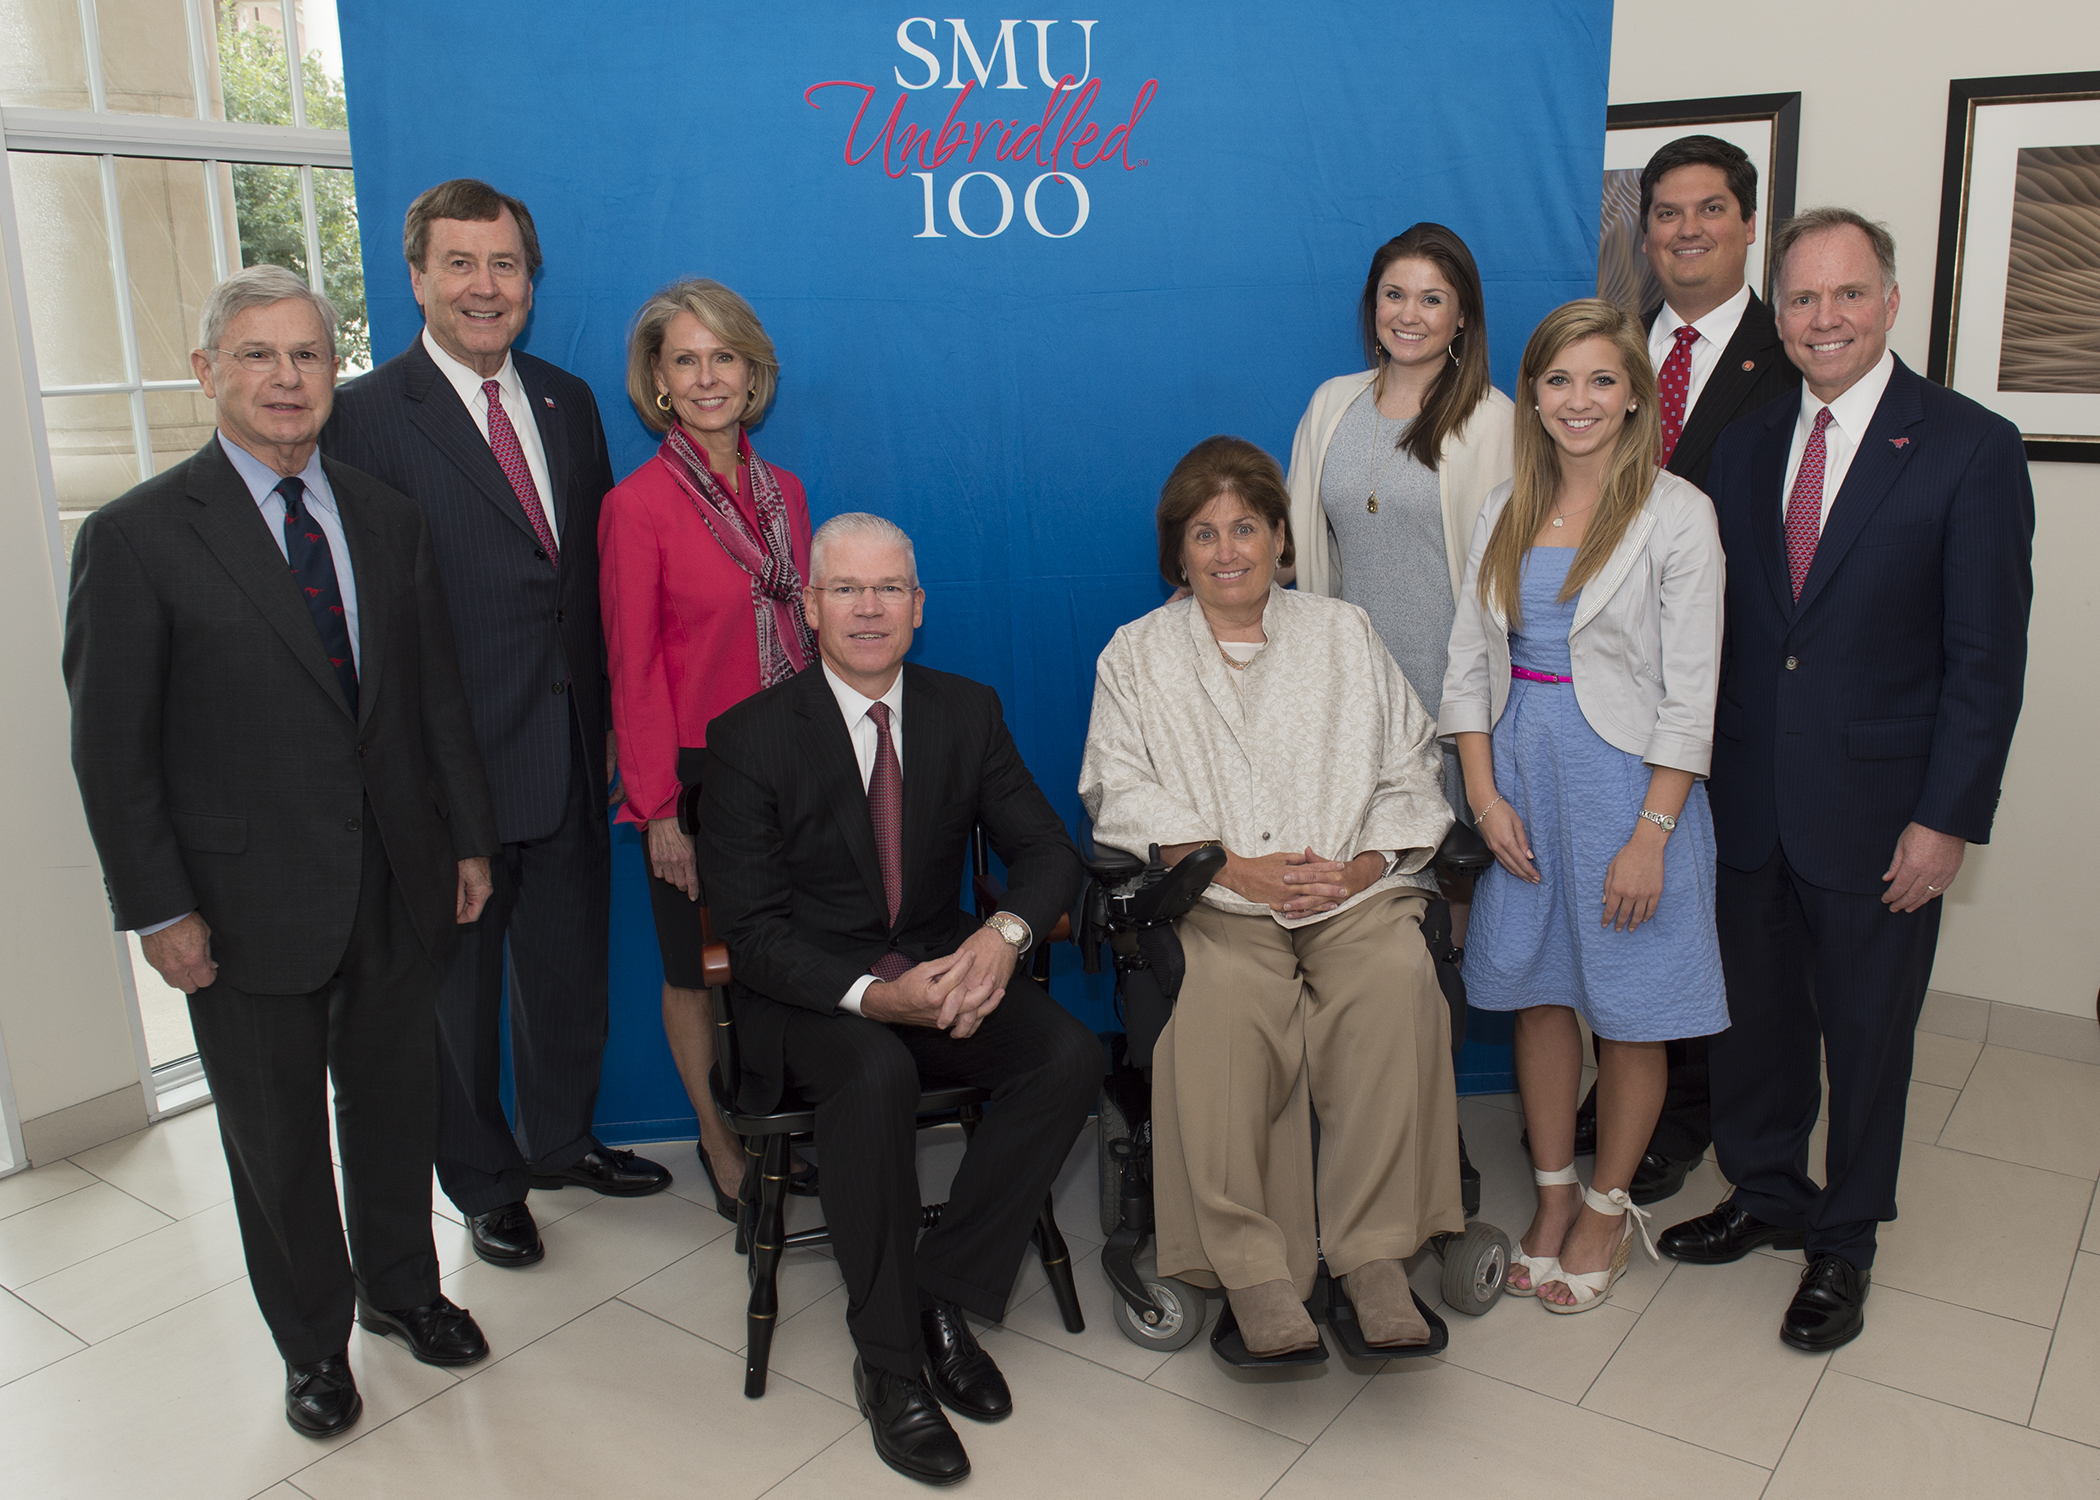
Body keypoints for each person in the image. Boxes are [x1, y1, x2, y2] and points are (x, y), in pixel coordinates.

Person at [63, 265, 501, 1435]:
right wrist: (159, 908)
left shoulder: (385, 516)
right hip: (243, 902)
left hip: (398, 878)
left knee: (397, 1106)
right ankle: (312, 1344)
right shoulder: (138, 538)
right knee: (277, 1142)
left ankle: (404, 1291)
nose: (287, 377)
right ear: (208, 372)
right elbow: (115, 754)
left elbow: (431, 701)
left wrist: (463, 838)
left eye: (307, 354)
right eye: (257, 355)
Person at [1659, 209, 2034, 1353]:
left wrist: (1945, 820)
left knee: (1870, 1035)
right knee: (1756, 1023)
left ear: (1891, 302)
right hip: (1751, 799)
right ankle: (1770, 1193)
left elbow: (1986, 659)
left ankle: (1847, 1240)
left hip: (1883, 815)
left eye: (1848, 295)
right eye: (1805, 299)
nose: (1825, 319)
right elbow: (1723, 626)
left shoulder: (1969, 445)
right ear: (1781, 310)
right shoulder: (1747, 441)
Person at [695, 513, 1097, 1487]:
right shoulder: (748, 740)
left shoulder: (966, 711)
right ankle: (889, 1367)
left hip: (938, 961)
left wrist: (1000, 942)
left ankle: (941, 1291)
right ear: (809, 608)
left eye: (888, 590)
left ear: (917, 608)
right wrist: (879, 1001)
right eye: (846, 589)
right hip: (806, 994)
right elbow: (750, 938)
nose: (868, 609)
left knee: (1070, 1058)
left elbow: (1048, 853)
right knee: (873, 1072)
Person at [324, 178, 668, 1272]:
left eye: (505, 265)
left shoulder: (568, 402)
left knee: (567, 969)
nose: (485, 287)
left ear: (531, 280)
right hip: (446, 773)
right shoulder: (366, 418)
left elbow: (588, 589)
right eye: (461, 265)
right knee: (458, 1003)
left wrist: (611, 723)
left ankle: (561, 1142)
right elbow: (363, 617)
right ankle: (482, 1182)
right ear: (416, 276)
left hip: (570, 752)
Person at [1079, 435, 1463, 1358]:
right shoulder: (1136, 656)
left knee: (1393, 982)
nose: (1227, 551)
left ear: (1282, 541)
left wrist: (1366, 869)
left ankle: (1373, 1257)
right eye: (1203, 534)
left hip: (1348, 890)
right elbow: (1116, 787)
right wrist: (1223, 867)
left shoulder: (1344, 634)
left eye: (1245, 527)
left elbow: (1411, 764)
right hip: (1216, 897)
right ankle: (1255, 1269)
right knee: (1226, 1003)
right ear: (1178, 553)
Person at [1442, 299, 1728, 1314]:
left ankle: (1610, 1204)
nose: (1579, 400)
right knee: (1539, 991)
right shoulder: (1504, 509)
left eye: (1602, 379)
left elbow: (1693, 696)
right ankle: (1555, 1194)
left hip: (1627, 789)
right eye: (1558, 380)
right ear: (1533, 395)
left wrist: (1651, 837)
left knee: (1632, 1009)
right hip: (1521, 781)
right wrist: (1481, 794)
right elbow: (1468, 666)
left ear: (1636, 396)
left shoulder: (1677, 514)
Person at [1567, 136, 1807, 1203]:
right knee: (1624, 900)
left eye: (1711, 209)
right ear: (1643, 229)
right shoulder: (1613, 349)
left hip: (1735, 688)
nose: (1688, 230)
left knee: (1709, 910)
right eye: (1666, 213)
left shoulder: (1793, 352)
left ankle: (1688, 1108)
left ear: (1750, 224)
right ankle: (1627, 1073)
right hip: (1605, 694)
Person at [599, 278, 818, 1216]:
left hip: (796, 763)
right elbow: (632, 669)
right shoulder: (636, 506)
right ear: (657, 379)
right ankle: (719, 1142)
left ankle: (796, 1115)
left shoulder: (789, 495)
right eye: (683, 360)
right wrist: (655, 812)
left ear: (752, 368)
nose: (706, 376)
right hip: (690, 777)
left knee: (796, 956)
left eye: (721, 356)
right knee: (694, 972)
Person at [1283, 223, 1516, 845]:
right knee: (1360, 870)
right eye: (1394, 295)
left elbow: (1514, 577)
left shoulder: (1494, 421)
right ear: (1373, 304)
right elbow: (1292, 551)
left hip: (1452, 702)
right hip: (1349, 696)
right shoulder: (1331, 405)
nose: (1408, 315)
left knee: (1451, 878)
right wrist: (1212, 586)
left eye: (1432, 298)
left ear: (1462, 315)